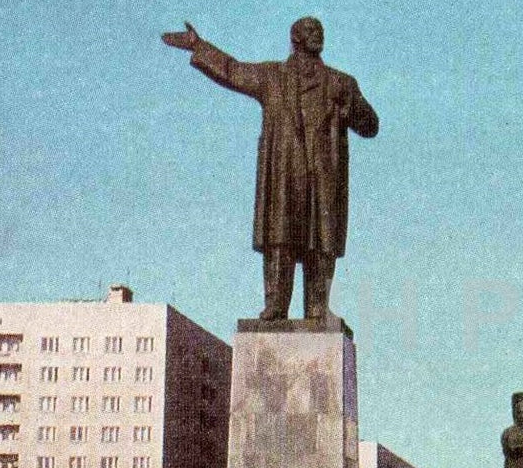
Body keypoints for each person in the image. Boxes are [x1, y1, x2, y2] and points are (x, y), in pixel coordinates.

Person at [161, 17, 379, 321]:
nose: (316, 36)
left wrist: (351, 106)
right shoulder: (272, 76)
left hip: (323, 177)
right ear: (295, 40)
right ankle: (276, 304)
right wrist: (199, 46)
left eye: (319, 31)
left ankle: (318, 307)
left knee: (321, 241)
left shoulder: (341, 83)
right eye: (309, 32)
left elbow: (371, 126)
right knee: (280, 238)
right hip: (284, 173)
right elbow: (232, 70)